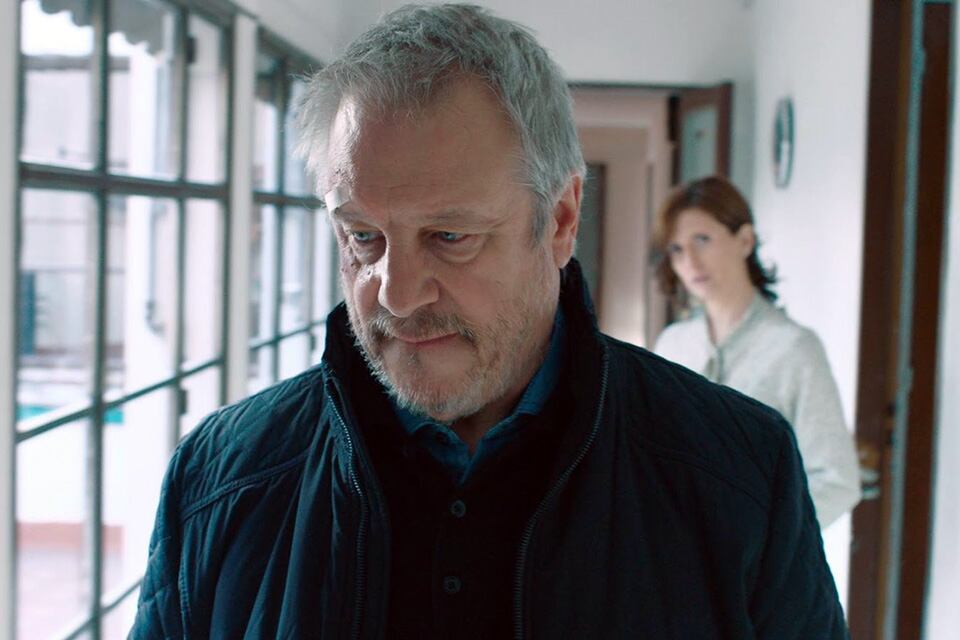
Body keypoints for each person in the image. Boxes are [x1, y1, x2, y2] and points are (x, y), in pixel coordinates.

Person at [131, 5, 849, 638]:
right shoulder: (219, 480)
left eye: (450, 237)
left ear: (560, 220)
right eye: (363, 237)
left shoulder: (741, 474)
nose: (397, 295)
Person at [653, 175, 861, 529]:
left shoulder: (794, 348)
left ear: (745, 240)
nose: (690, 261)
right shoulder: (672, 344)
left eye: (702, 240)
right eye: (676, 249)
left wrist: (759, 538)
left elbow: (837, 481)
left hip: (755, 557)